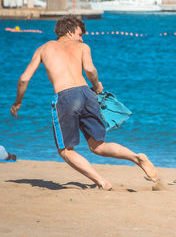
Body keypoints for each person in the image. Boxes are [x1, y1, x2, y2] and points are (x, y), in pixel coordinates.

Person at [10, 16, 158, 190]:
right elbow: (89, 69)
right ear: (70, 31)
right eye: (80, 34)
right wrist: (97, 86)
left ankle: (102, 182)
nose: (82, 38)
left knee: (65, 150)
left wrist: (18, 102)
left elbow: (23, 79)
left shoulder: (44, 49)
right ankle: (137, 157)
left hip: (66, 97)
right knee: (98, 146)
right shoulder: (82, 47)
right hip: (87, 94)